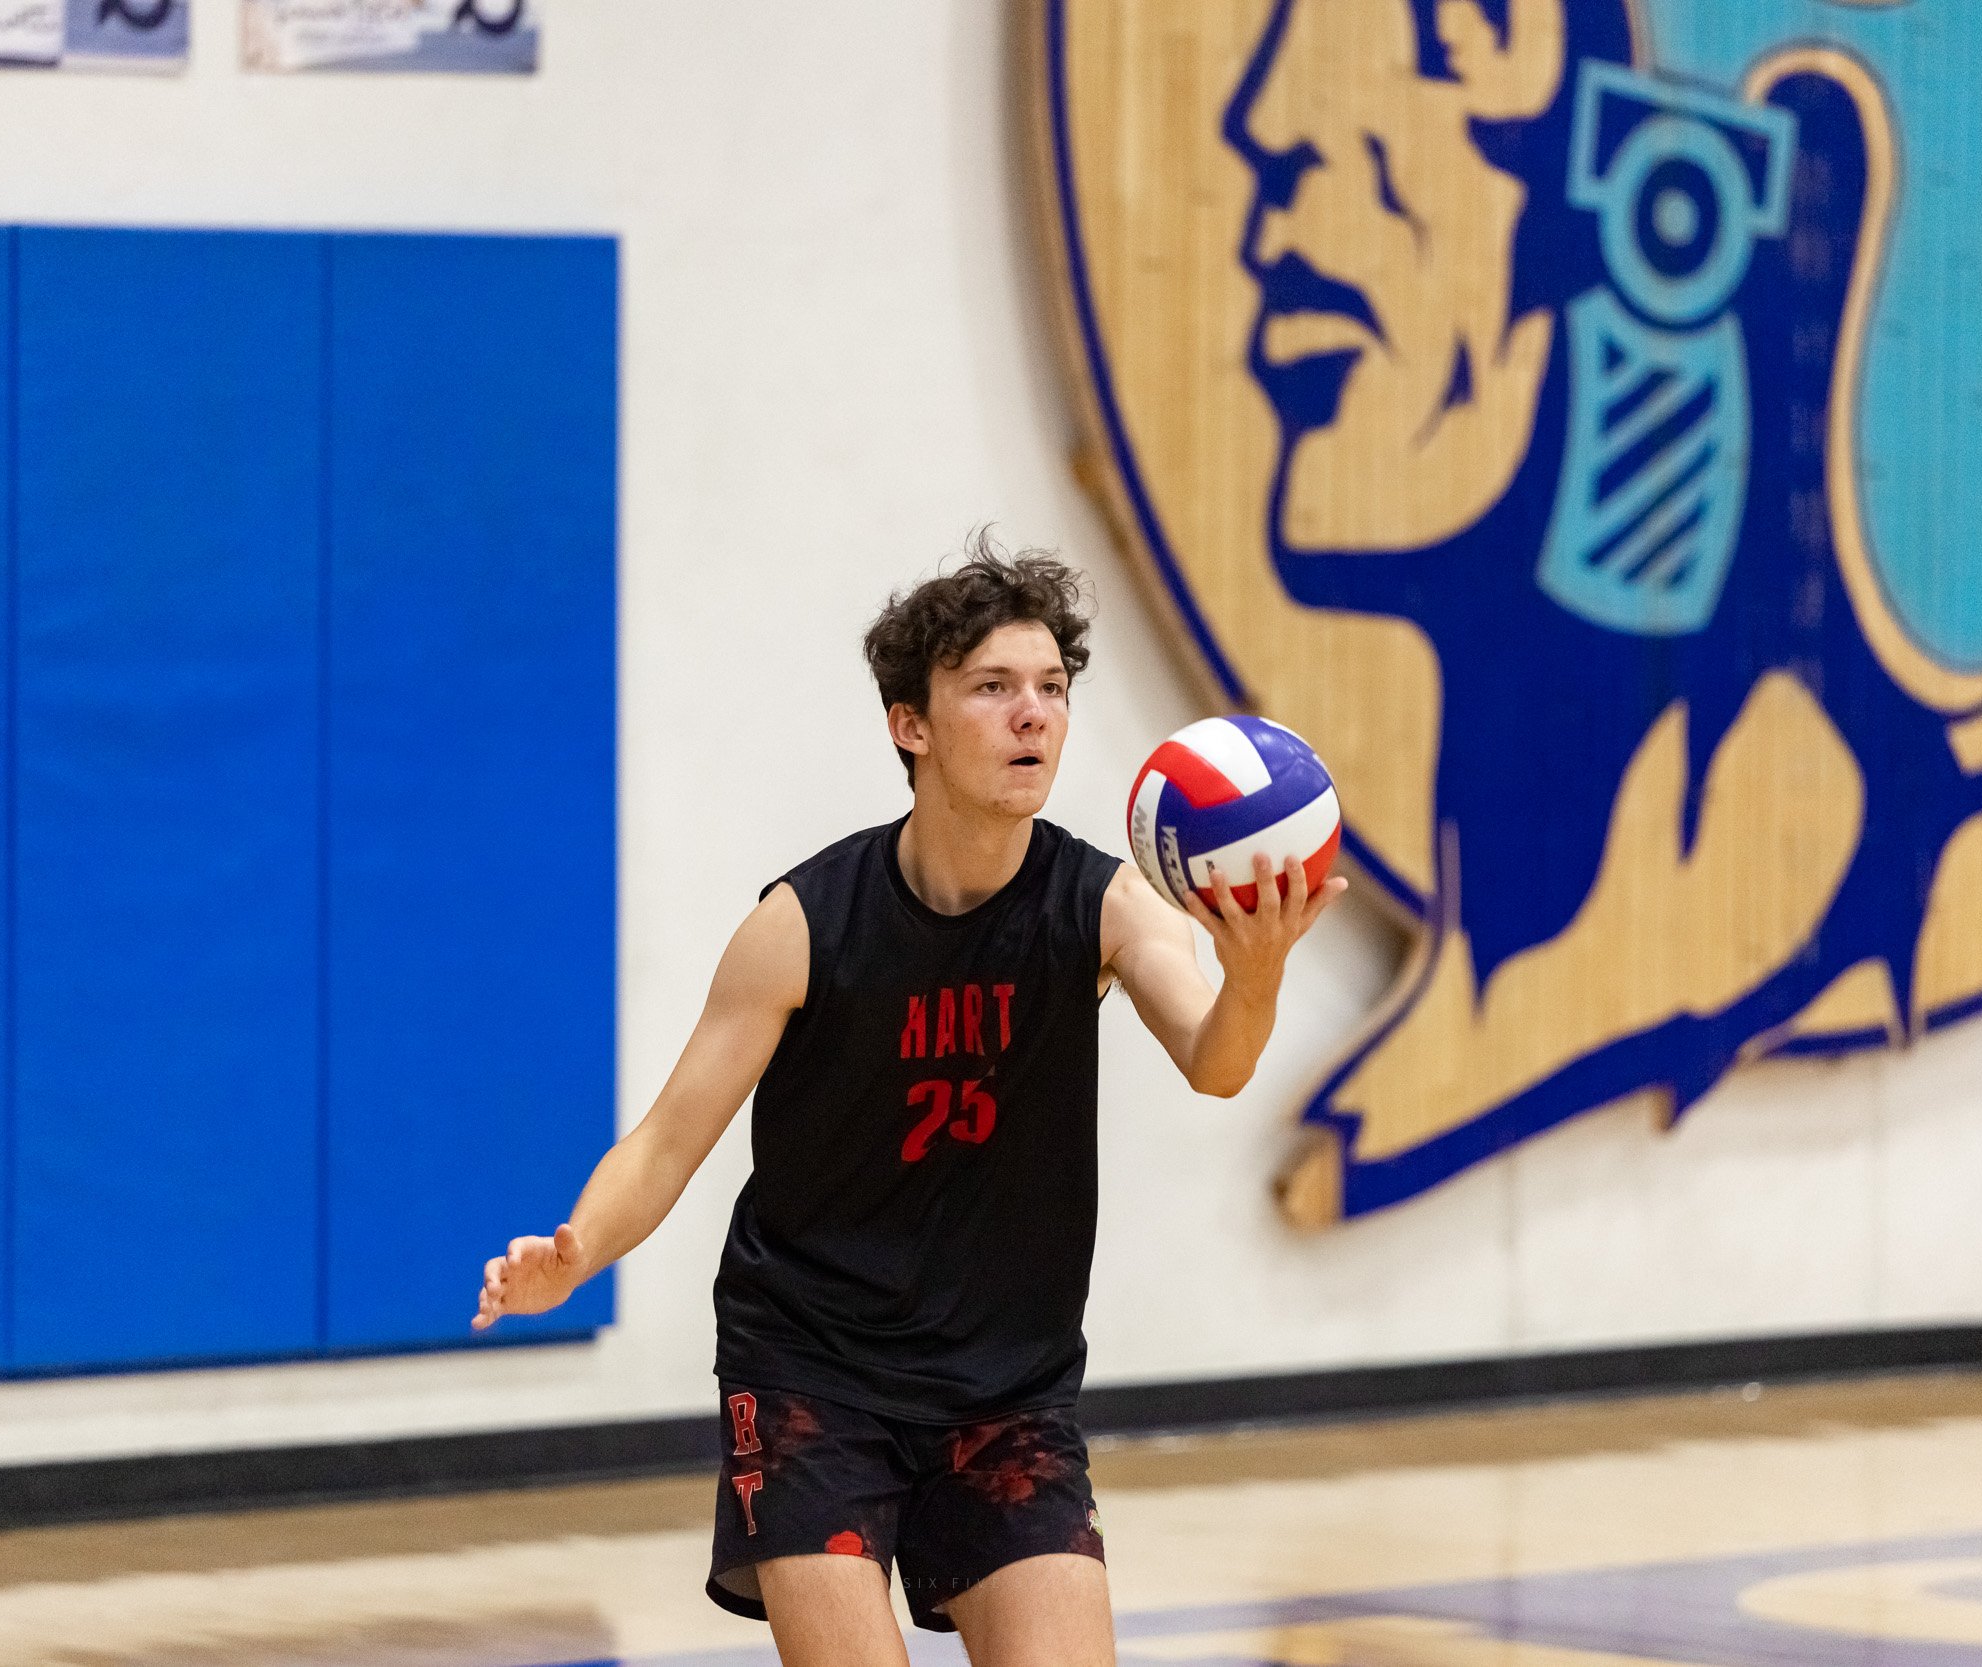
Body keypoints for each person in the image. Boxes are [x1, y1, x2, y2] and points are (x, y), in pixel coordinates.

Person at [471, 538, 1344, 1665]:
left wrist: (1256, 971)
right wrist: (577, 1250)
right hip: (813, 1369)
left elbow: (1215, 1060)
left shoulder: (1107, 903)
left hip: (1008, 1386)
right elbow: (667, 1140)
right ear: (910, 724)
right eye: (993, 686)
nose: (1032, 714)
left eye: (1052, 688)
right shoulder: (803, 923)